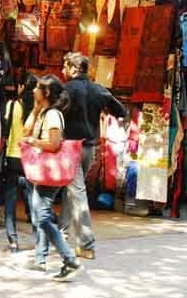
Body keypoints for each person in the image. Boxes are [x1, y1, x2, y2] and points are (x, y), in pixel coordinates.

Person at [61, 52, 127, 259]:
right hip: (89, 148)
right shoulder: (98, 89)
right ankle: (62, 233)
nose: (62, 72)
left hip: (71, 147)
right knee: (70, 190)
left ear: (72, 69)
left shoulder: (67, 89)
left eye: (65, 68)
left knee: (76, 191)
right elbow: (121, 111)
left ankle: (86, 243)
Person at [22, 75, 83, 281]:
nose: (33, 91)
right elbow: (25, 129)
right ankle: (42, 259)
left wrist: (34, 142)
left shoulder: (53, 115)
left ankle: (69, 258)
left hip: (49, 171)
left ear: (46, 92)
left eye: (37, 88)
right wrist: (36, 108)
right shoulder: (44, 113)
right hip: (43, 171)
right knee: (41, 215)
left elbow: (55, 144)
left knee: (42, 216)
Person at [3, 72, 38, 252]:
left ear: (22, 86)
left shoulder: (12, 105)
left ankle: (13, 240)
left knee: (10, 199)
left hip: (13, 157)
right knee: (32, 198)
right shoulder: (38, 110)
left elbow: (6, 131)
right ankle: (38, 238)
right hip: (31, 159)